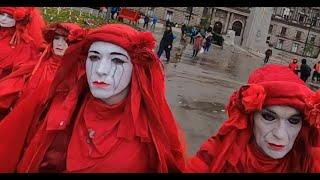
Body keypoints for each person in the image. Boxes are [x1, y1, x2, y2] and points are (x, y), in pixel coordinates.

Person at [0, 24, 186, 173]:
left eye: (117, 60)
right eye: (94, 57)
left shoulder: (151, 131)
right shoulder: (66, 109)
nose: (101, 70)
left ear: (136, 69)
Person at [186, 64, 320, 172]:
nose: (280, 134)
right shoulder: (215, 153)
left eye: (293, 121)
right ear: (251, 118)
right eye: (268, 117)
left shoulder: (308, 163)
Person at [0, 7, 45, 119]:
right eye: (1, 14)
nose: (4, 19)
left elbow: (19, 73)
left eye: (10, 16)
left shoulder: (24, 43)